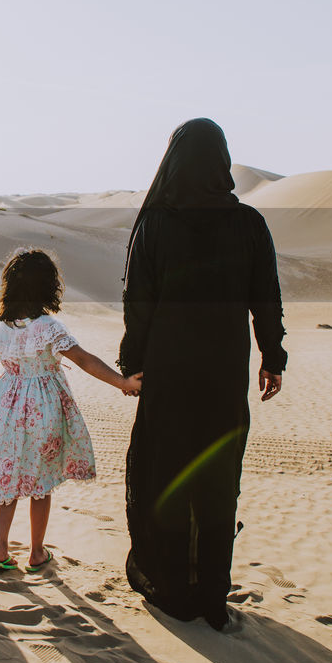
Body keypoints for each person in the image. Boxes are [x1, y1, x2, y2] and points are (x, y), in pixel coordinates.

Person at [117, 117, 286, 630]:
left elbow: (137, 303)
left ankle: (172, 587)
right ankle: (211, 593)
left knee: (165, 474)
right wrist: (272, 358)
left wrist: (133, 363)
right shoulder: (248, 223)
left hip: (168, 375)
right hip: (223, 374)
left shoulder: (157, 223)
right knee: (217, 480)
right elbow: (267, 297)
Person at [0, 249, 143, 572]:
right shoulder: (48, 327)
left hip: (6, 406)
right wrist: (121, 380)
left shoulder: (0, 325)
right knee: (40, 482)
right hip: (43, 408)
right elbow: (84, 359)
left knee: (7, 475)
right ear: (48, 287)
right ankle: (37, 552)